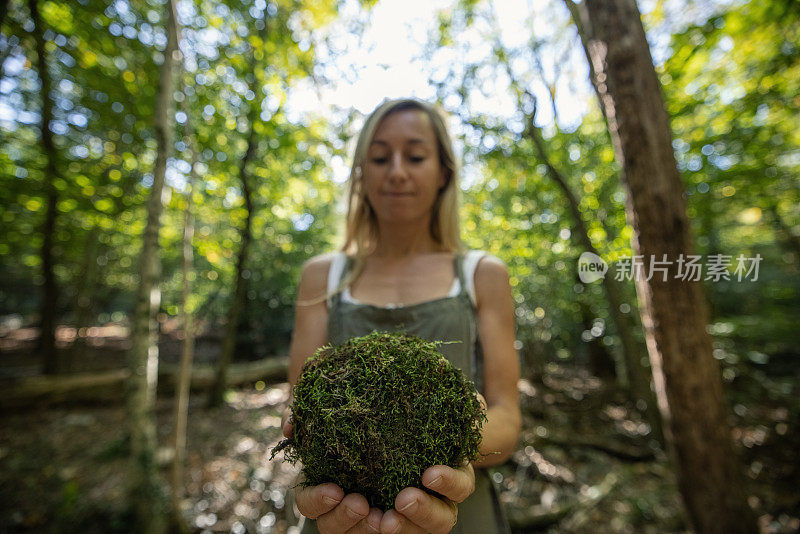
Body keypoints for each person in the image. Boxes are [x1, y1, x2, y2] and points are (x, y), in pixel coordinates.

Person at [281, 98, 521, 534]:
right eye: (379, 157)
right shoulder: (322, 277)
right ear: (361, 171)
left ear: (444, 170)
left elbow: (506, 413)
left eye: (415, 156)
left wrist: (450, 444)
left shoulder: (482, 275)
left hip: (458, 512)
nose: (396, 171)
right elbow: (301, 403)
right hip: (345, 514)